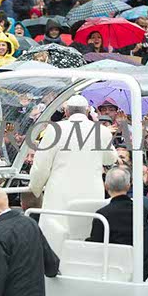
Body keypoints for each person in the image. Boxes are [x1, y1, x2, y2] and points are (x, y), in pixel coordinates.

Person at [29, 95, 118, 244]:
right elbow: (110, 159)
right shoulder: (101, 131)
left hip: (60, 193)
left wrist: (35, 187)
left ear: (66, 111)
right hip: (90, 193)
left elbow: (41, 166)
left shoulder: (54, 129)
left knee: (55, 237)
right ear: (87, 111)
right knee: (85, 237)